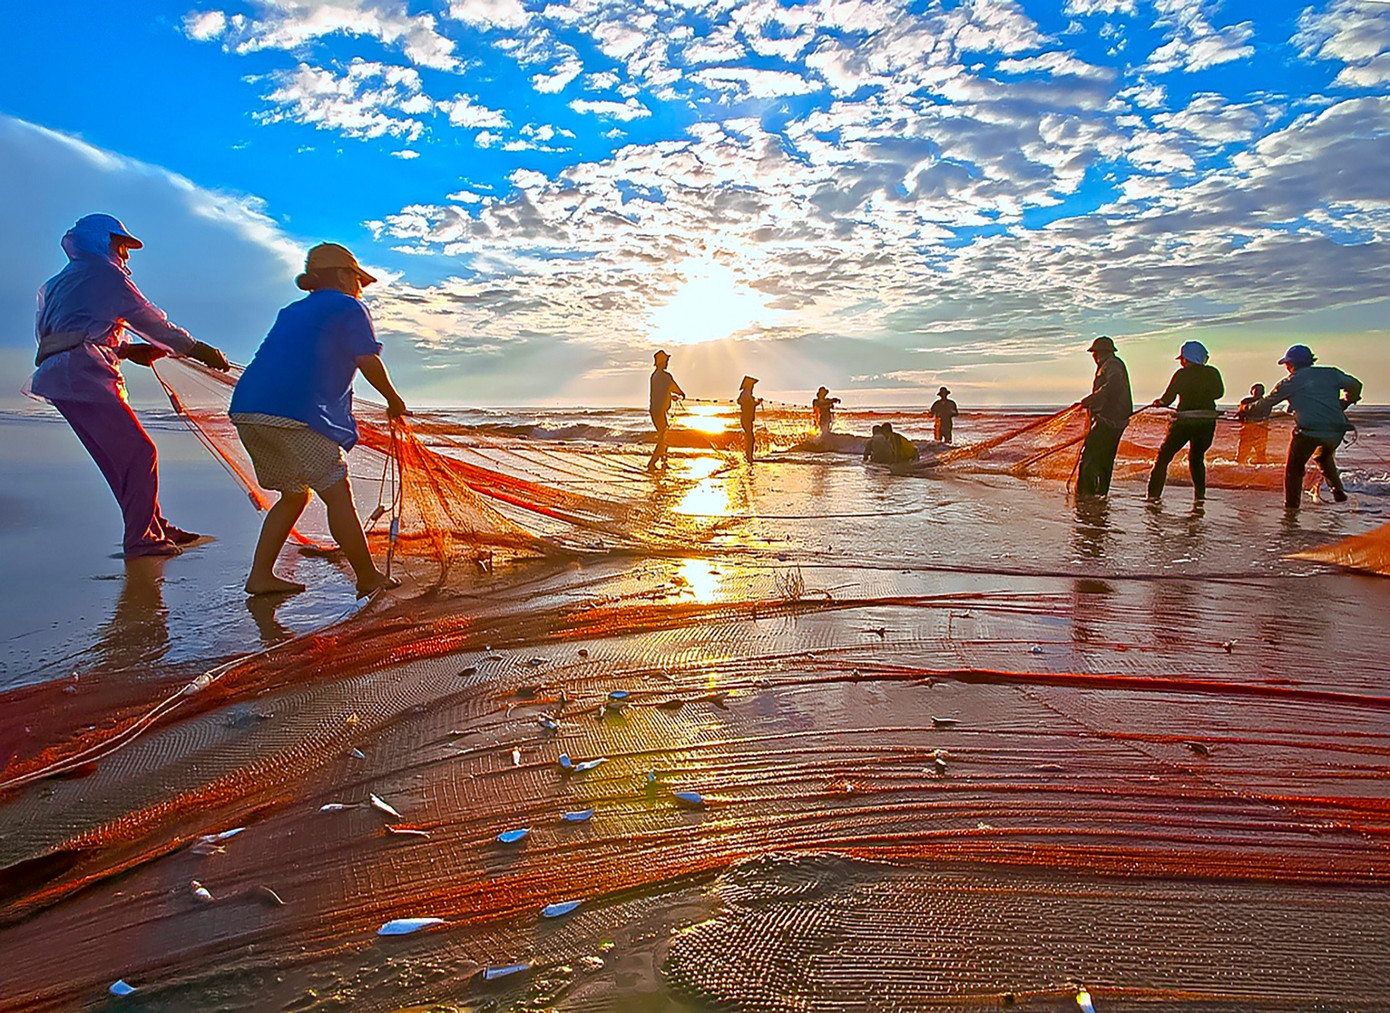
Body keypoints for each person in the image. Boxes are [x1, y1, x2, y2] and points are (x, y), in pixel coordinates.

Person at [27, 214, 231, 559]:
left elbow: (70, 331)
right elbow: (150, 321)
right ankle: (142, 539)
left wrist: (125, 349)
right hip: (81, 375)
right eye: (121, 245)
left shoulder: (61, 281)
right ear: (101, 242)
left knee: (118, 457)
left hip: (58, 376)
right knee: (140, 453)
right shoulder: (104, 275)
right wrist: (197, 349)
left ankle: (153, 524)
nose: (126, 255)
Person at [229, 243, 408, 596]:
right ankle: (367, 577)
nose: (360, 287)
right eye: (358, 278)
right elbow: (366, 359)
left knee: (294, 495)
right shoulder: (349, 306)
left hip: (248, 411)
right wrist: (393, 399)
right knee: (338, 495)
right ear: (344, 275)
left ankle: (260, 576)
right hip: (295, 414)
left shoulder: (291, 311)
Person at [1250, 344, 1362, 510]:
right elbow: (1356, 385)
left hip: (1308, 432)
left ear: (1291, 364)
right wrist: (1347, 401)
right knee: (1322, 457)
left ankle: (1292, 507)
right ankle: (1337, 489)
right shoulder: (1332, 373)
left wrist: (1246, 409)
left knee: (1294, 470)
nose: (1286, 367)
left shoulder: (1290, 382)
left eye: (1287, 364)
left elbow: (1265, 404)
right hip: (1336, 432)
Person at [1146, 340, 1224, 501]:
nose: (1181, 362)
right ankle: (1200, 496)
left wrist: (1159, 402)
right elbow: (1219, 394)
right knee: (1196, 458)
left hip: (1184, 422)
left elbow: (1168, 399)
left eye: (1182, 358)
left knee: (1163, 458)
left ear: (1187, 358)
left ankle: (1152, 497)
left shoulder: (1181, 375)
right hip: (1206, 422)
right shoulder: (1213, 373)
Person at [1076, 336, 1132, 497]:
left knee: (1090, 458)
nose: (1093, 356)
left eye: (1094, 353)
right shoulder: (1111, 364)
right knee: (1104, 459)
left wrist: (1093, 398)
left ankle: (1087, 495)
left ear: (1100, 353)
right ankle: (1100, 494)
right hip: (1115, 420)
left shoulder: (1112, 365)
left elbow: (1113, 385)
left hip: (1109, 420)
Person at [647, 349, 685, 471]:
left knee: (664, 435)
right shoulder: (665, 376)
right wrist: (681, 393)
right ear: (663, 362)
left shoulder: (654, 376)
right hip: (659, 411)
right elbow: (673, 386)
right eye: (667, 360)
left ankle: (664, 461)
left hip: (654, 410)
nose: (668, 363)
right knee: (663, 437)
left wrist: (670, 396)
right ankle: (652, 462)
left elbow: (661, 392)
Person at [1236, 383, 1272, 465]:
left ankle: (1262, 473)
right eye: (1256, 390)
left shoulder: (1266, 403)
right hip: (1247, 430)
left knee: (1261, 455)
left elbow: (1266, 414)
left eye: (1260, 391)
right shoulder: (1245, 401)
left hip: (1261, 430)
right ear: (1251, 392)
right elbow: (1240, 414)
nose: (1258, 392)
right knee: (1241, 455)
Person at [738, 376, 763, 461]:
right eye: (752, 385)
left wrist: (757, 402)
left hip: (747, 418)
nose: (753, 386)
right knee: (750, 438)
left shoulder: (747, 393)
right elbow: (740, 401)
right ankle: (749, 457)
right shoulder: (746, 392)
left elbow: (748, 404)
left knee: (750, 438)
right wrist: (751, 403)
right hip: (746, 418)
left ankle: (749, 456)